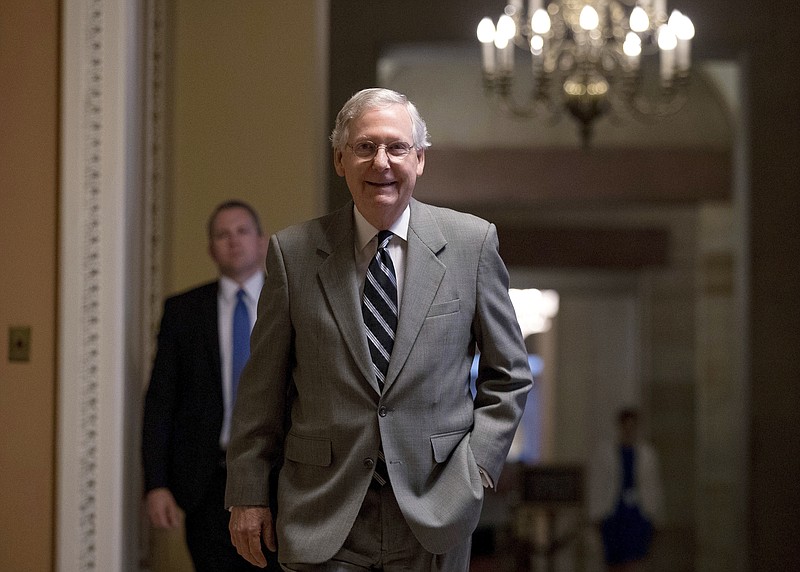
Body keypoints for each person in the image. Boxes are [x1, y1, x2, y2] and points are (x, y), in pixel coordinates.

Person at [225, 87, 533, 571]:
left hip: (436, 510)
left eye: (396, 147)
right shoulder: (294, 253)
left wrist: (477, 468)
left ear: (420, 160)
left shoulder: (471, 244)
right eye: (365, 147)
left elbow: (510, 373)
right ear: (339, 159)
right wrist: (247, 493)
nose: (381, 163)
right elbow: (261, 390)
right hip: (322, 512)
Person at [142, 200, 279, 571]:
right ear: (211, 249)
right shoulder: (183, 311)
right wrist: (156, 484)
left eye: (242, 231)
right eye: (222, 235)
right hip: (205, 484)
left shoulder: (287, 303)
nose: (233, 241)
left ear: (262, 242)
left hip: (276, 480)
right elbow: (160, 402)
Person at [588, 408, 665, 572]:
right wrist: (596, 513)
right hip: (613, 514)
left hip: (638, 513)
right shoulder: (606, 453)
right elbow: (599, 484)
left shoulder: (647, 454)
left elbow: (653, 486)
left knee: (636, 560)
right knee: (615, 562)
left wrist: (657, 516)